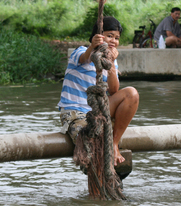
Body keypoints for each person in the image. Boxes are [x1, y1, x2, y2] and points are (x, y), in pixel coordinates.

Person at [58, 16, 139, 166]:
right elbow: (84, 58)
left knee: (131, 93)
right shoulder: (80, 52)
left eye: (117, 38)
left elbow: (114, 90)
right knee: (92, 145)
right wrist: (92, 47)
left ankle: (114, 144)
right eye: (109, 36)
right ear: (98, 37)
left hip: (98, 111)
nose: (113, 41)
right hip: (76, 112)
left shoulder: (111, 61)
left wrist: (112, 66)